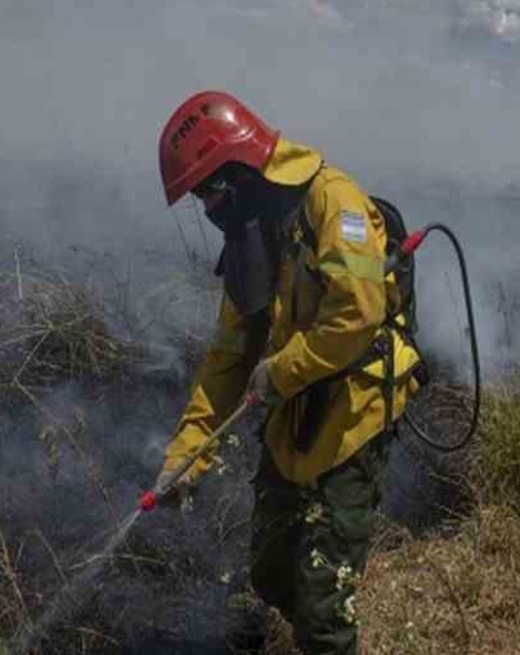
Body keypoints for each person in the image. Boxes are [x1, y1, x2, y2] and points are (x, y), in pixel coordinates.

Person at [152, 90, 421, 654]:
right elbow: (228, 358)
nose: (208, 206)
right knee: (273, 576)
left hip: (354, 412)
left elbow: (357, 313)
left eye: (209, 189)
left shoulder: (332, 201)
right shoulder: (252, 234)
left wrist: (280, 372)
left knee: (322, 609)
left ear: (240, 165)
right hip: (293, 415)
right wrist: (186, 456)